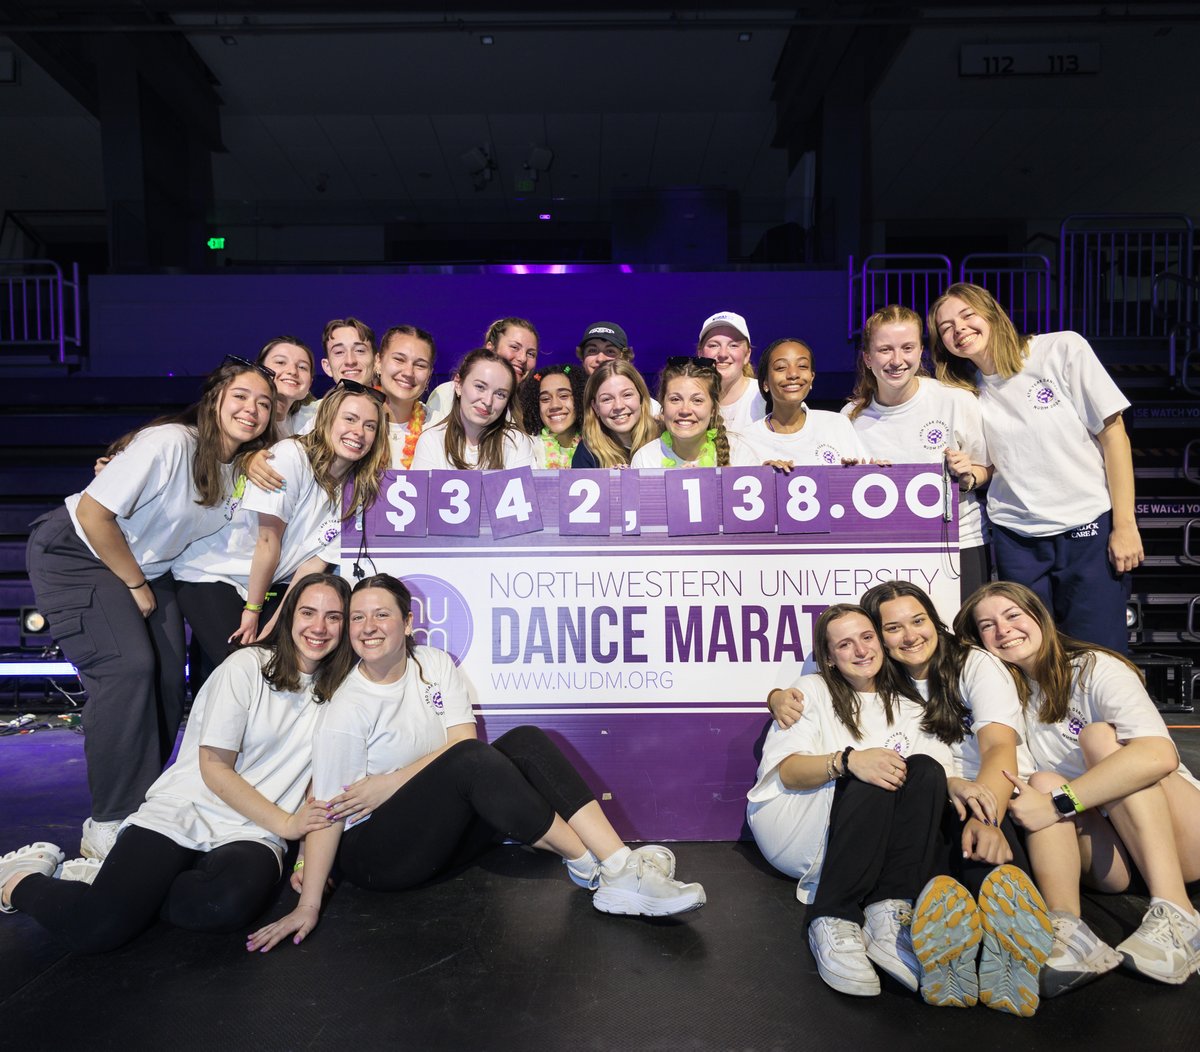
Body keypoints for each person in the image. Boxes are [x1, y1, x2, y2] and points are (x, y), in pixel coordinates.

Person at [245, 574, 706, 951]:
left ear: (407, 623)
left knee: (524, 740)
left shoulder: (434, 664)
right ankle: (600, 870)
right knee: (470, 761)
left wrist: (390, 782)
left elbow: (463, 739)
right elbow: (327, 810)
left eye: (381, 614)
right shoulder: (346, 709)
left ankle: (618, 862)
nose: (368, 626)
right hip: (377, 856)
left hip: (440, 834)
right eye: (358, 618)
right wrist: (308, 904)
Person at [0, 574, 352, 953]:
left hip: (253, 828)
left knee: (224, 907)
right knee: (98, 926)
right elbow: (214, 768)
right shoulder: (247, 667)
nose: (319, 627)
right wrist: (288, 824)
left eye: (333, 617)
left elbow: (322, 780)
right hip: (191, 804)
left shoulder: (345, 691)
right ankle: (19, 880)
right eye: (308, 612)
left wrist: (303, 857)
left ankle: (117, 886)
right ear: (289, 617)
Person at [25, 357, 276, 861]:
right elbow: (96, 515)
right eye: (241, 396)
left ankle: (145, 802)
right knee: (129, 668)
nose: (252, 409)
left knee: (167, 680)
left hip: (146, 565)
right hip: (79, 551)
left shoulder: (236, 470)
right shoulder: (170, 443)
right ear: (215, 400)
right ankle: (109, 823)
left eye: (264, 403)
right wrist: (136, 583)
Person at [957, 581, 1200, 989]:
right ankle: (1070, 932)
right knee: (1041, 780)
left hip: (1184, 838)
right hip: (1116, 860)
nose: (1003, 630)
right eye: (987, 625)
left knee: (1099, 739)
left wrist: (1057, 805)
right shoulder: (1006, 699)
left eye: (1013, 615)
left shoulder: (1095, 667)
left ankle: (1179, 914)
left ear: (1039, 616)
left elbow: (1160, 756)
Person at [747, 605, 951, 999]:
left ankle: (887, 911)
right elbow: (788, 772)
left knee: (924, 769)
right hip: (797, 824)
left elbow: (928, 784)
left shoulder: (909, 705)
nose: (860, 650)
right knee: (871, 770)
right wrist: (847, 760)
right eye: (844, 644)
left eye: (867, 637)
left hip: (868, 838)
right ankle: (831, 916)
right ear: (828, 658)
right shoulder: (811, 691)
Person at [929, 283, 1142, 651]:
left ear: (993, 314)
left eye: (967, 316)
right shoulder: (965, 392)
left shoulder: (1060, 349)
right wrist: (971, 473)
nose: (958, 329)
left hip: (1086, 526)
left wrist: (1125, 525)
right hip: (1017, 538)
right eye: (945, 327)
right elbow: (991, 468)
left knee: (1098, 656)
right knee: (1030, 657)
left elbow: (1114, 435)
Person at [173, 380, 388, 675]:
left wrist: (275, 627)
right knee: (241, 670)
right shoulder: (292, 456)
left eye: (370, 426)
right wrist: (253, 611)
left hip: (271, 585)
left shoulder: (360, 491)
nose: (359, 432)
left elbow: (313, 566)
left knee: (272, 663)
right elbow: (267, 540)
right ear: (328, 419)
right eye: (349, 419)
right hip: (214, 574)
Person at [843, 306, 992, 601]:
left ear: (921, 350)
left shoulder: (956, 400)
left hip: (959, 543)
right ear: (868, 358)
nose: (897, 360)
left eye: (907, 348)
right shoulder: (850, 417)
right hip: (886, 549)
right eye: (885, 350)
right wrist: (849, 476)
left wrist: (968, 475)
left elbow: (987, 469)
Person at [247, 317, 376, 487]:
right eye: (338, 352)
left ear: (377, 360)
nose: (350, 360)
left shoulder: (398, 415)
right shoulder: (306, 416)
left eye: (360, 350)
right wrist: (248, 459)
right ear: (327, 366)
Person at [743, 338, 867, 469]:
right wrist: (763, 477)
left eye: (802, 366)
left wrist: (866, 471)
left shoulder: (837, 424)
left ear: (812, 377)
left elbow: (862, 479)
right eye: (780, 367)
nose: (793, 374)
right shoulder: (747, 439)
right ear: (765, 382)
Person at [411, 349, 538, 470]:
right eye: (480, 387)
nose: (488, 401)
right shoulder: (431, 441)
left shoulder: (516, 442)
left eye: (500, 394)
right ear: (458, 384)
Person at [630, 357, 762, 468]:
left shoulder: (739, 454)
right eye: (675, 399)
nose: (685, 410)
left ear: (713, 410)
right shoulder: (645, 460)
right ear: (663, 407)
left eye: (697, 400)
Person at [425, 317, 539, 425]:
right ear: (491, 348)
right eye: (514, 347)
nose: (523, 358)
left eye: (531, 354)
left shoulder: (531, 408)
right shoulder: (447, 393)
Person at [571, 360, 662, 469]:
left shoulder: (665, 437)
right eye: (607, 399)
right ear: (595, 407)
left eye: (627, 395)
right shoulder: (587, 453)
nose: (618, 406)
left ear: (641, 397)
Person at [374, 325, 435, 469]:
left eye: (420, 365)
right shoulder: (353, 421)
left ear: (429, 375)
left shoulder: (439, 428)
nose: (408, 372)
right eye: (399, 359)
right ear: (378, 362)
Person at [697, 310, 766, 434]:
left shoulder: (766, 397)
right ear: (700, 353)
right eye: (713, 345)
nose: (723, 354)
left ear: (747, 354)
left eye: (733, 345)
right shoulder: (687, 399)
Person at [519, 364, 586, 468]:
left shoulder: (595, 448)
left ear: (579, 398)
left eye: (563, 396)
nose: (555, 405)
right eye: (545, 399)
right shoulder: (526, 449)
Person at [258, 335, 318, 438]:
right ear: (259, 370)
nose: (293, 371)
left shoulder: (305, 427)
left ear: (310, 383)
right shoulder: (246, 418)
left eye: (302, 367)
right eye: (280, 362)